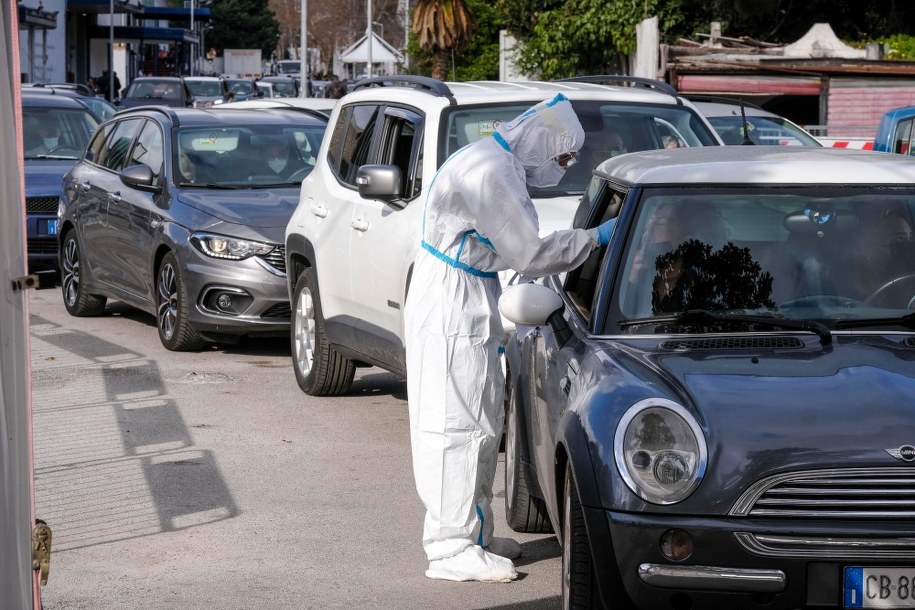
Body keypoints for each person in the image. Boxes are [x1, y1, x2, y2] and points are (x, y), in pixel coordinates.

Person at [403, 93, 616, 583]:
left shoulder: (498, 161)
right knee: (452, 422)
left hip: (468, 290)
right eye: (562, 157)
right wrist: (594, 239)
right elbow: (529, 253)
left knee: (479, 419)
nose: (562, 167)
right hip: (452, 300)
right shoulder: (490, 171)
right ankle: (449, 546)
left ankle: (474, 533)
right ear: (543, 140)